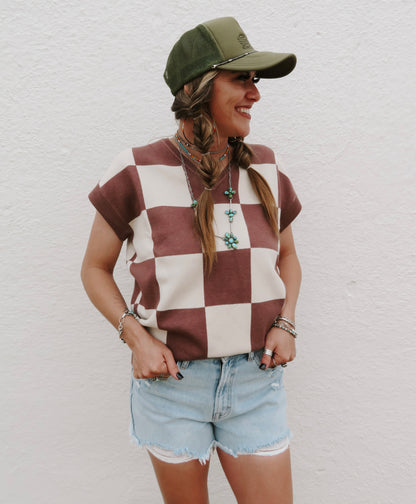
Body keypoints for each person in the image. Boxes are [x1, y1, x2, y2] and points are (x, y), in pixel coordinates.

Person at [81, 16, 301, 504]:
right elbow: (93, 268)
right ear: (196, 87)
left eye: (256, 81)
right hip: (173, 386)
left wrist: (286, 323)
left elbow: (287, 257)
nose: (255, 94)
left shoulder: (266, 166)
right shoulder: (135, 169)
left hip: (255, 382)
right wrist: (135, 338)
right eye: (240, 79)